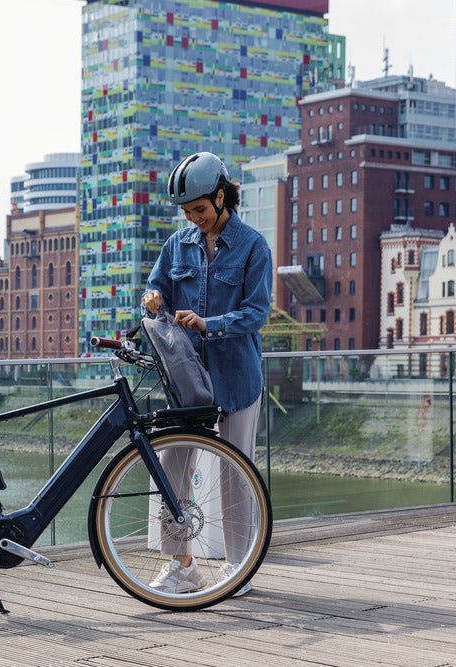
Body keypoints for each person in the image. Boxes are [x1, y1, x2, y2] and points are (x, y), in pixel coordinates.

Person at [141, 151, 272, 596]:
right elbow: (155, 284)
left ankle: (239, 567)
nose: (193, 218)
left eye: (199, 208)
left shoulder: (254, 246)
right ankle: (181, 565)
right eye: (186, 211)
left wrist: (208, 323)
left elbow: (256, 314)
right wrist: (152, 297)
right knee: (171, 465)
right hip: (188, 377)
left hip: (237, 378)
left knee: (236, 473)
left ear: (221, 196)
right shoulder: (176, 244)